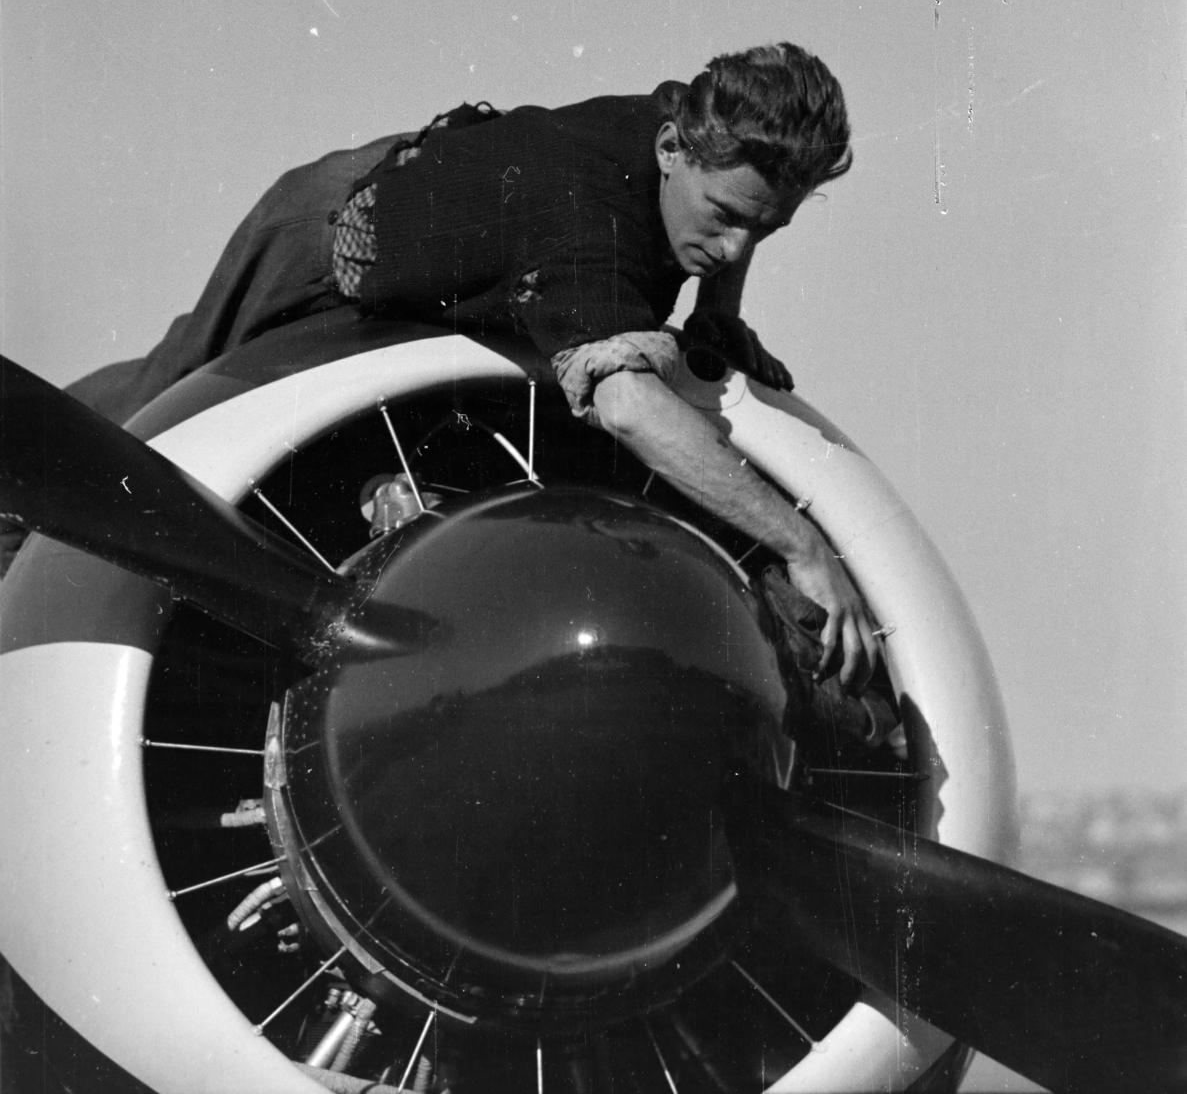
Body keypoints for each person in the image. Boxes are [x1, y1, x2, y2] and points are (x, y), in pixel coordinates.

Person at [61, 42, 877, 687]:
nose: (732, 248)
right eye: (726, 219)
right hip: (332, 233)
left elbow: (730, 223)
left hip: (470, 246)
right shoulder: (579, 213)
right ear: (670, 148)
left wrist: (716, 314)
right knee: (163, 413)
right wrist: (800, 544)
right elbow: (626, 405)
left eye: (761, 234)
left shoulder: (702, 133)